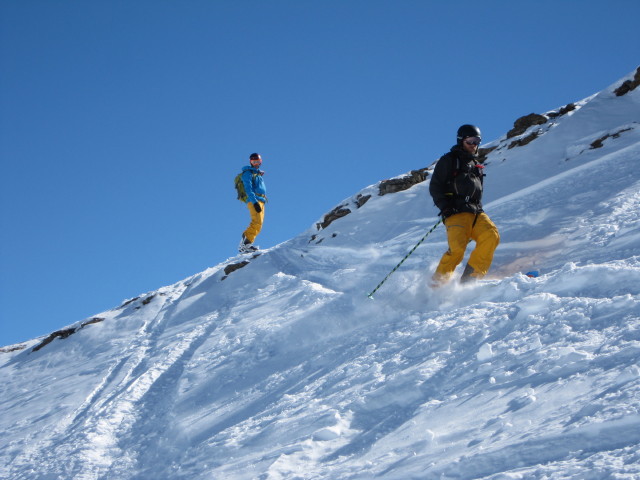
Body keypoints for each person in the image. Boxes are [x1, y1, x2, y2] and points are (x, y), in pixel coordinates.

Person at [429, 124, 500, 285]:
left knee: (491, 236)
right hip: (455, 211)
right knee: (457, 251)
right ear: (461, 141)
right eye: (470, 141)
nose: (474, 144)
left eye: (477, 141)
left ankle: (470, 278)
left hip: (476, 211)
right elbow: (435, 186)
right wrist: (445, 206)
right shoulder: (449, 160)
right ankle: (436, 286)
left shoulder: (476, 165)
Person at [238, 153, 267, 253]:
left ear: (260, 161)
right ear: (250, 162)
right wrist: (254, 202)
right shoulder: (248, 173)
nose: (255, 164)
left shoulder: (256, 173)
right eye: (253, 162)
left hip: (261, 200)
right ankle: (245, 244)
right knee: (256, 222)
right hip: (254, 200)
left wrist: (258, 172)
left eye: (257, 161)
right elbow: (248, 189)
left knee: (259, 224)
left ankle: (247, 243)